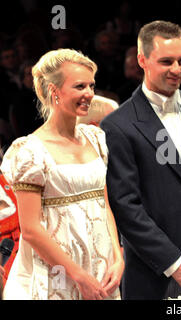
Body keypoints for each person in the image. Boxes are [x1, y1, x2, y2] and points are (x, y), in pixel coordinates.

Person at [100, 20, 181, 300]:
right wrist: (172, 260)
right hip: (152, 272)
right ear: (142, 60)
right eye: (166, 61)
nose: (177, 69)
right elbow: (124, 204)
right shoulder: (117, 125)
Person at [0, 48, 123, 300]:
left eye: (91, 85)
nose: (89, 93)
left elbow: (104, 205)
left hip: (101, 270)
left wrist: (118, 257)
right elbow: (31, 229)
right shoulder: (30, 151)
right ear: (54, 92)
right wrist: (78, 275)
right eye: (79, 86)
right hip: (54, 275)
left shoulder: (96, 139)